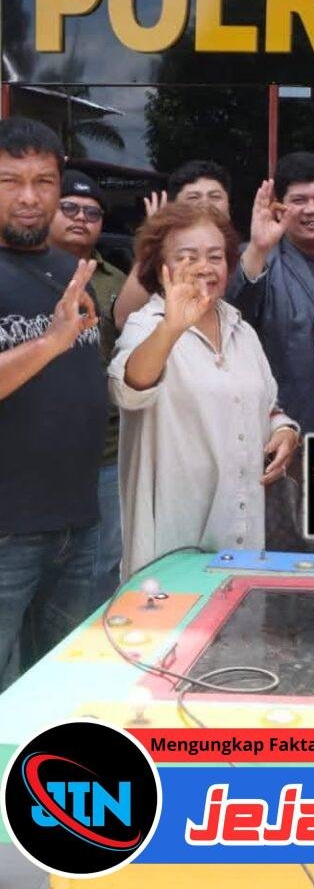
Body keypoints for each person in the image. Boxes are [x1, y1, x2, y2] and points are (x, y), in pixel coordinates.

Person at [108, 202, 300, 574]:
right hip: (173, 539)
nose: (204, 266)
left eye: (215, 256)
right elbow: (129, 389)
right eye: (187, 256)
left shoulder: (242, 330)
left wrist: (284, 430)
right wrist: (171, 329)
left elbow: (266, 405)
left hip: (242, 534)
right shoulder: (147, 324)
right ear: (160, 267)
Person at [0, 117, 111, 688]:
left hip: (77, 523)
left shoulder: (73, 272)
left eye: (43, 181)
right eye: (10, 181)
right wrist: (49, 342)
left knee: (61, 687)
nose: (29, 197)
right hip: (7, 531)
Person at [228, 151, 314, 435]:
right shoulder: (258, 260)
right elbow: (231, 317)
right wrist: (257, 249)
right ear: (279, 209)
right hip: (288, 431)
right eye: (299, 200)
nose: (312, 209)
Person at [50, 169, 128, 582]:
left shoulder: (117, 280)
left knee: (97, 572)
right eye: (69, 208)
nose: (81, 217)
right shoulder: (19, 271)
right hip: (31, 453)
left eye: (92, 212)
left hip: (105, 450)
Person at [113, 159, 234, 330]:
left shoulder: (246, 253)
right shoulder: (163, 256)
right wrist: (156, 239)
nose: (205, 204)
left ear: (228, 206)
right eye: (194, 197)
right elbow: (122, 319)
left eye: (215, 196)